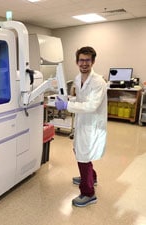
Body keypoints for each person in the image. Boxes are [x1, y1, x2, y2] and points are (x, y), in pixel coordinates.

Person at [55, 46, 107, 207]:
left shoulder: (98, 81)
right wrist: (69, 99)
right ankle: (92, 177)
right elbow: (80, 99)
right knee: (79, 150)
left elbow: (91, 106)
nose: (84, 63)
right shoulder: (78, 78)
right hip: (81, 120)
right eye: (81, 60)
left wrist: (67, 106)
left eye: (87, 60)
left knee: (83, 156)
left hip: (92, 123)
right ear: (77, 61)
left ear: (93, 62)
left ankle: (88, 192)